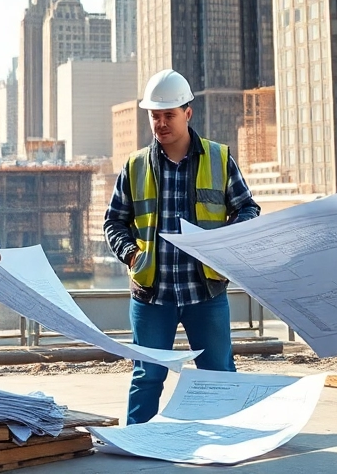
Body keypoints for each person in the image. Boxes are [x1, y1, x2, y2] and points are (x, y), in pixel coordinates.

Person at [103, 69, 262, 425]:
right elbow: (114, 221)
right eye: (155, 116)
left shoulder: (219, 159)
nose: (161, 124)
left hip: (204, 292)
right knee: (147, 377)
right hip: (152, 294)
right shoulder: (135, 166)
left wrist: (226, 240)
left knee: (219, 373)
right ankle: (139, 442)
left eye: (168, 115)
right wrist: (131, 254)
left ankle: (228, 440)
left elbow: (248, 209)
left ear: (187, 113)